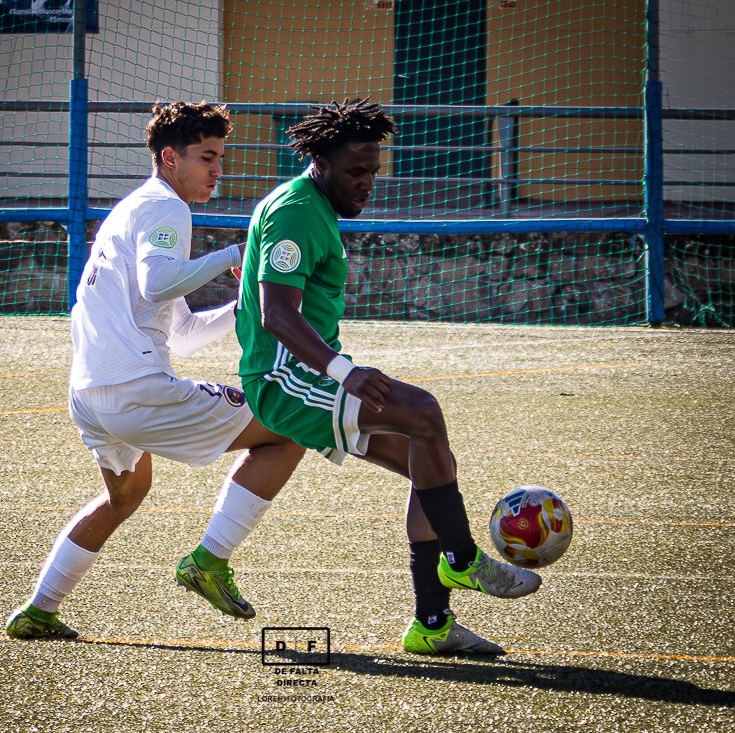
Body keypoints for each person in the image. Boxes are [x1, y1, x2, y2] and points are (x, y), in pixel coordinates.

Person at [231, 99, 542, 655]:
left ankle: (432, 626)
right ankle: (463, 559)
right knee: (423, 412)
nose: (367, 183)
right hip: (285, 380)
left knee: (432, 463)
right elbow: (277, 315)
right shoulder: (296, 211)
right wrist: (341, 371)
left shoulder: (314, 207)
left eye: (373, 170)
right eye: (356, 171)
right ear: (320, 162)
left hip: (307, 374)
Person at [5, 101, 306, 640]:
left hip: (91, 395)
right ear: (169, 157)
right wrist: (235, 254)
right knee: (288, 430)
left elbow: (181, 330)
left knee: (124, 497)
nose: (219, 170)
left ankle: (39, 609)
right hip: (135, 390)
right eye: (207, 157)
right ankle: (209, 560)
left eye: (221, 157)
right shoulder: (167, 208)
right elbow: (156, 283)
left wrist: (243, 308)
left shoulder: (135, 209)